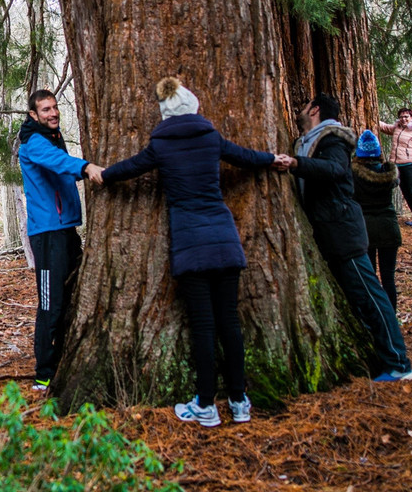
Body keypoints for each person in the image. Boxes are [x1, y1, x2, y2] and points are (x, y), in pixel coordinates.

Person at [100, 77, 286, 427]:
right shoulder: (210, 137)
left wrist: (103, 175)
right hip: (224, 237)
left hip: (190, 244)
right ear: (193, 106)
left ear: (165, 112)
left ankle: (205, 404)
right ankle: (239, 400)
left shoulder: (161, 145)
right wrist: (272, 159)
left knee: (204, 326)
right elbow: (244, 157)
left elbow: (130, 168)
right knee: (229, 323)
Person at [277, 94, 412, 382]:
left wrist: (294, 164)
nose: (299, 112)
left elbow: (335, 169)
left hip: (342, 230)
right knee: (356, 300)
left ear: (314, 110)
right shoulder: (309, 140)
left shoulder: (332, 139)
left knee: (370, 296)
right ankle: (382, 357)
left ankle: (399, 363)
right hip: (329, 231)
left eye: (303, 107)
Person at [18, 89, 104, 392]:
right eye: (45, 109)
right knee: (49, 303)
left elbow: (60, 167)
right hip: (47, 234)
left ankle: (63, 358)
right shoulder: (33, 142)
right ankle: (43, 373)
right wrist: (85, 167)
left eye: (54, 107)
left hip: (65, 229)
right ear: (33, 115)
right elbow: (57, 162)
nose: (53, 113)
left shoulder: (51, 137)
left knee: (69, 297)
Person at [352, 130, 402, 309]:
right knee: (388, 277)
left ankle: (375, 315)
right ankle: (392, 315)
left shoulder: (353, 175)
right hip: (389, 227)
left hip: (365, 229)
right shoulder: (388, 173)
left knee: (370, 277)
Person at [378, 107, 412, 232]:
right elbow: (385, 127)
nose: (404, 119)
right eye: (401, 117)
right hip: (398, 166)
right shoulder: (397, 128)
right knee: (406, 193)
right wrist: (373, 116)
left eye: (406, 117)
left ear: (411, 117)